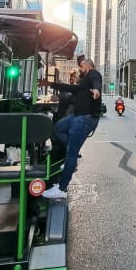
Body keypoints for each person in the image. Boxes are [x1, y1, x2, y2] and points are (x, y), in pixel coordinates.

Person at [40, 58, 102, 199]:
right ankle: (73, 156)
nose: (79, 69)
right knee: (58, 128)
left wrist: (97, 90)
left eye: (81, 67)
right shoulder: (83, 83)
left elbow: (96, 81)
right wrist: (50, 84)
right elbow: (70, 88)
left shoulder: (93, 73)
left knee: (71, 153)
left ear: (86, 66)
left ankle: (61, 189)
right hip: (76, 117)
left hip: (85, 119)